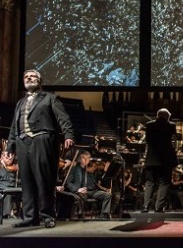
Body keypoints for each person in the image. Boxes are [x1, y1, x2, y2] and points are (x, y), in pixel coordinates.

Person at [7, 69, 75, 228]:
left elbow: (63, 117)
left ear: (40, 81)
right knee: (27, 181)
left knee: (44, 180)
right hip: (22, 142)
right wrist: (10, 145)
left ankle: (47, 216)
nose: (29, 78)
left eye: (32, 76)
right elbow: (13, 126)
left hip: (42, 140)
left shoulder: (50, 98)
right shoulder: (20, 102)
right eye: (26, 76)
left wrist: (69, 135)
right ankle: (30, 217)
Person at [142, 108, 178, 212]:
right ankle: (158, 207)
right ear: (167, 117)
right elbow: (172, 140)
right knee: (164, 182)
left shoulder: (149, 125)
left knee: (150, 182)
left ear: (157, 116)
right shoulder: (171, 125)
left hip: (151, 158)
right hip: (165, 159)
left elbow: (148, 140)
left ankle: (145, 206)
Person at [65, 151, 112, 219]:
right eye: (84, 158)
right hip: (81, 191)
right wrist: (78, 189)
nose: (87, 160)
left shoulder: (89, 169)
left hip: (92, 191)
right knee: (78, 196)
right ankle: (78, 214)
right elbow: (69, 183)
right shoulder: (74, 168)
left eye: (88, 158)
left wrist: (105, 171)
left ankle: (104, 216)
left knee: (108, 195)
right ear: (80, 159)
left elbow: (98, 180)